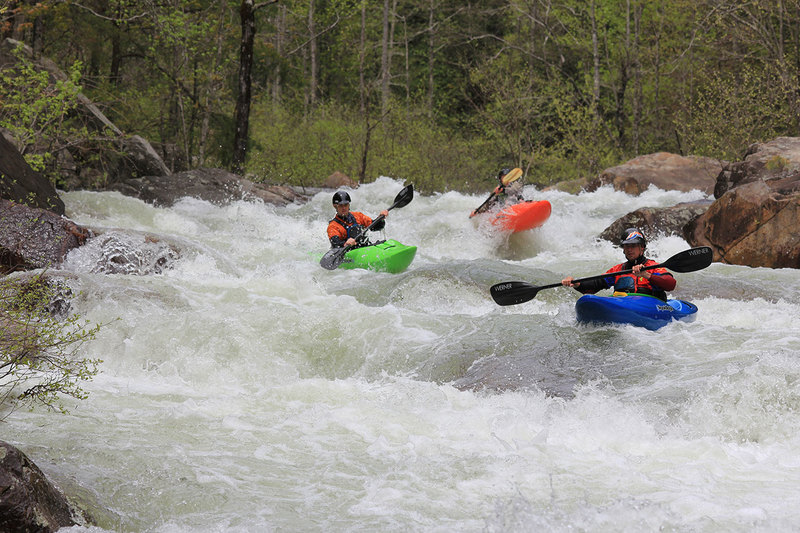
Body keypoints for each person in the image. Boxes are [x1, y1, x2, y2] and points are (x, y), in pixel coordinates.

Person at [561, 228, 676, 301]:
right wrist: (577, 283)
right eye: (626, 246)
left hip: (650, 306)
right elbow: (596, 284)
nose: (629, 250)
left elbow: (670, 284)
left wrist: (646, 275)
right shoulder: (618, 269)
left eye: (633, 246)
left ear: (642, 248)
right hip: (624, 304)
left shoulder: (653, 266)